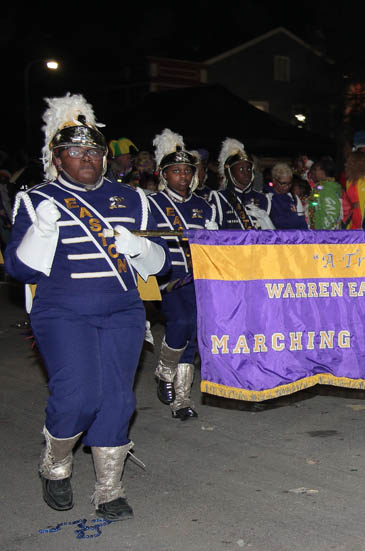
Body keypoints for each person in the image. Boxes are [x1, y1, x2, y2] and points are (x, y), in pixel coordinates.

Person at [4, 94, 168, 520]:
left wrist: (140, 248)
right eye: (74, 151)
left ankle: (109, 487)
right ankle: (55, 463)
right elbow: (18, 270)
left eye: (93, 150)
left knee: (117, 398)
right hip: (62, 311)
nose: (86, 158)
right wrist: (40, 231)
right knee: (78, 394)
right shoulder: (36, 199)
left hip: (123, 311)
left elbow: (162, 264)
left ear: (105, 156)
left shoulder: (132, 198)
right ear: (57, 158)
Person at [147, 129, 218, 419]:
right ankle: (165, 373)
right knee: (181, 322)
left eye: (187, 171)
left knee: (194, 332)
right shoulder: (152, 203)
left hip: (198, 278)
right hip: (169, 278)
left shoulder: (203, 205)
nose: (183, 177)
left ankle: (182, 400)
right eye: (176, 171)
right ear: (165, 174)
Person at [208, 139, 274, 230]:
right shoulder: (219, 198)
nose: (246, 172)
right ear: (230, 172)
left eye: (249, 169)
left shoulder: (264, 199)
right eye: (241, 169)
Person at [343, 150, 365, 229]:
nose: (345, 164)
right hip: (354, 217)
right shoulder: (349, 182)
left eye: (349, 162)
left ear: (356, 164)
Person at [266, 162, 308, 229]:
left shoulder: (294, 198)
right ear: (274, 181)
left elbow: (302, 223)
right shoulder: (266, 198)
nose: (287, 187)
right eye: (283, 183)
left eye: (289, 183)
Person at [308, 157, 344, 230]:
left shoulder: (328, 189)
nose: (314, 172)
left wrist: (323, 231)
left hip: (326, 234)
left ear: (322, 172)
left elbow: (332, 212)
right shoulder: (321, 187)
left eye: (316, 170)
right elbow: (315, 203)